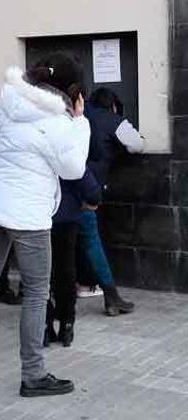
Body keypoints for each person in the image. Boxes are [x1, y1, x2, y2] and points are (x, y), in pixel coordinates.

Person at [0, 53, 90, 398]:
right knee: (36, 292)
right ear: (69, 90)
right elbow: (73, 169)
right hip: (29, 213)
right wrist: (81, 122)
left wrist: (12, 160)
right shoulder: (61, 122)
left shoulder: (7, 101)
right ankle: (33, 374)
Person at [78, 87, 142, 316]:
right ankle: (105, 292)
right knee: (91, 239)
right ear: (114, 105)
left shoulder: (80, 116)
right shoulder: (114, 120)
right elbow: (137, 144)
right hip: (90, 189)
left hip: (63, 189)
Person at [46, 170, 101, 348]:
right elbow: (90, 188)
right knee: (66, 269)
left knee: (40, 274)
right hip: (66, 213)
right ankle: (67, 323)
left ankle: (45, 325)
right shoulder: (66, 145)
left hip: (38, 213)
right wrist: (90, 201)